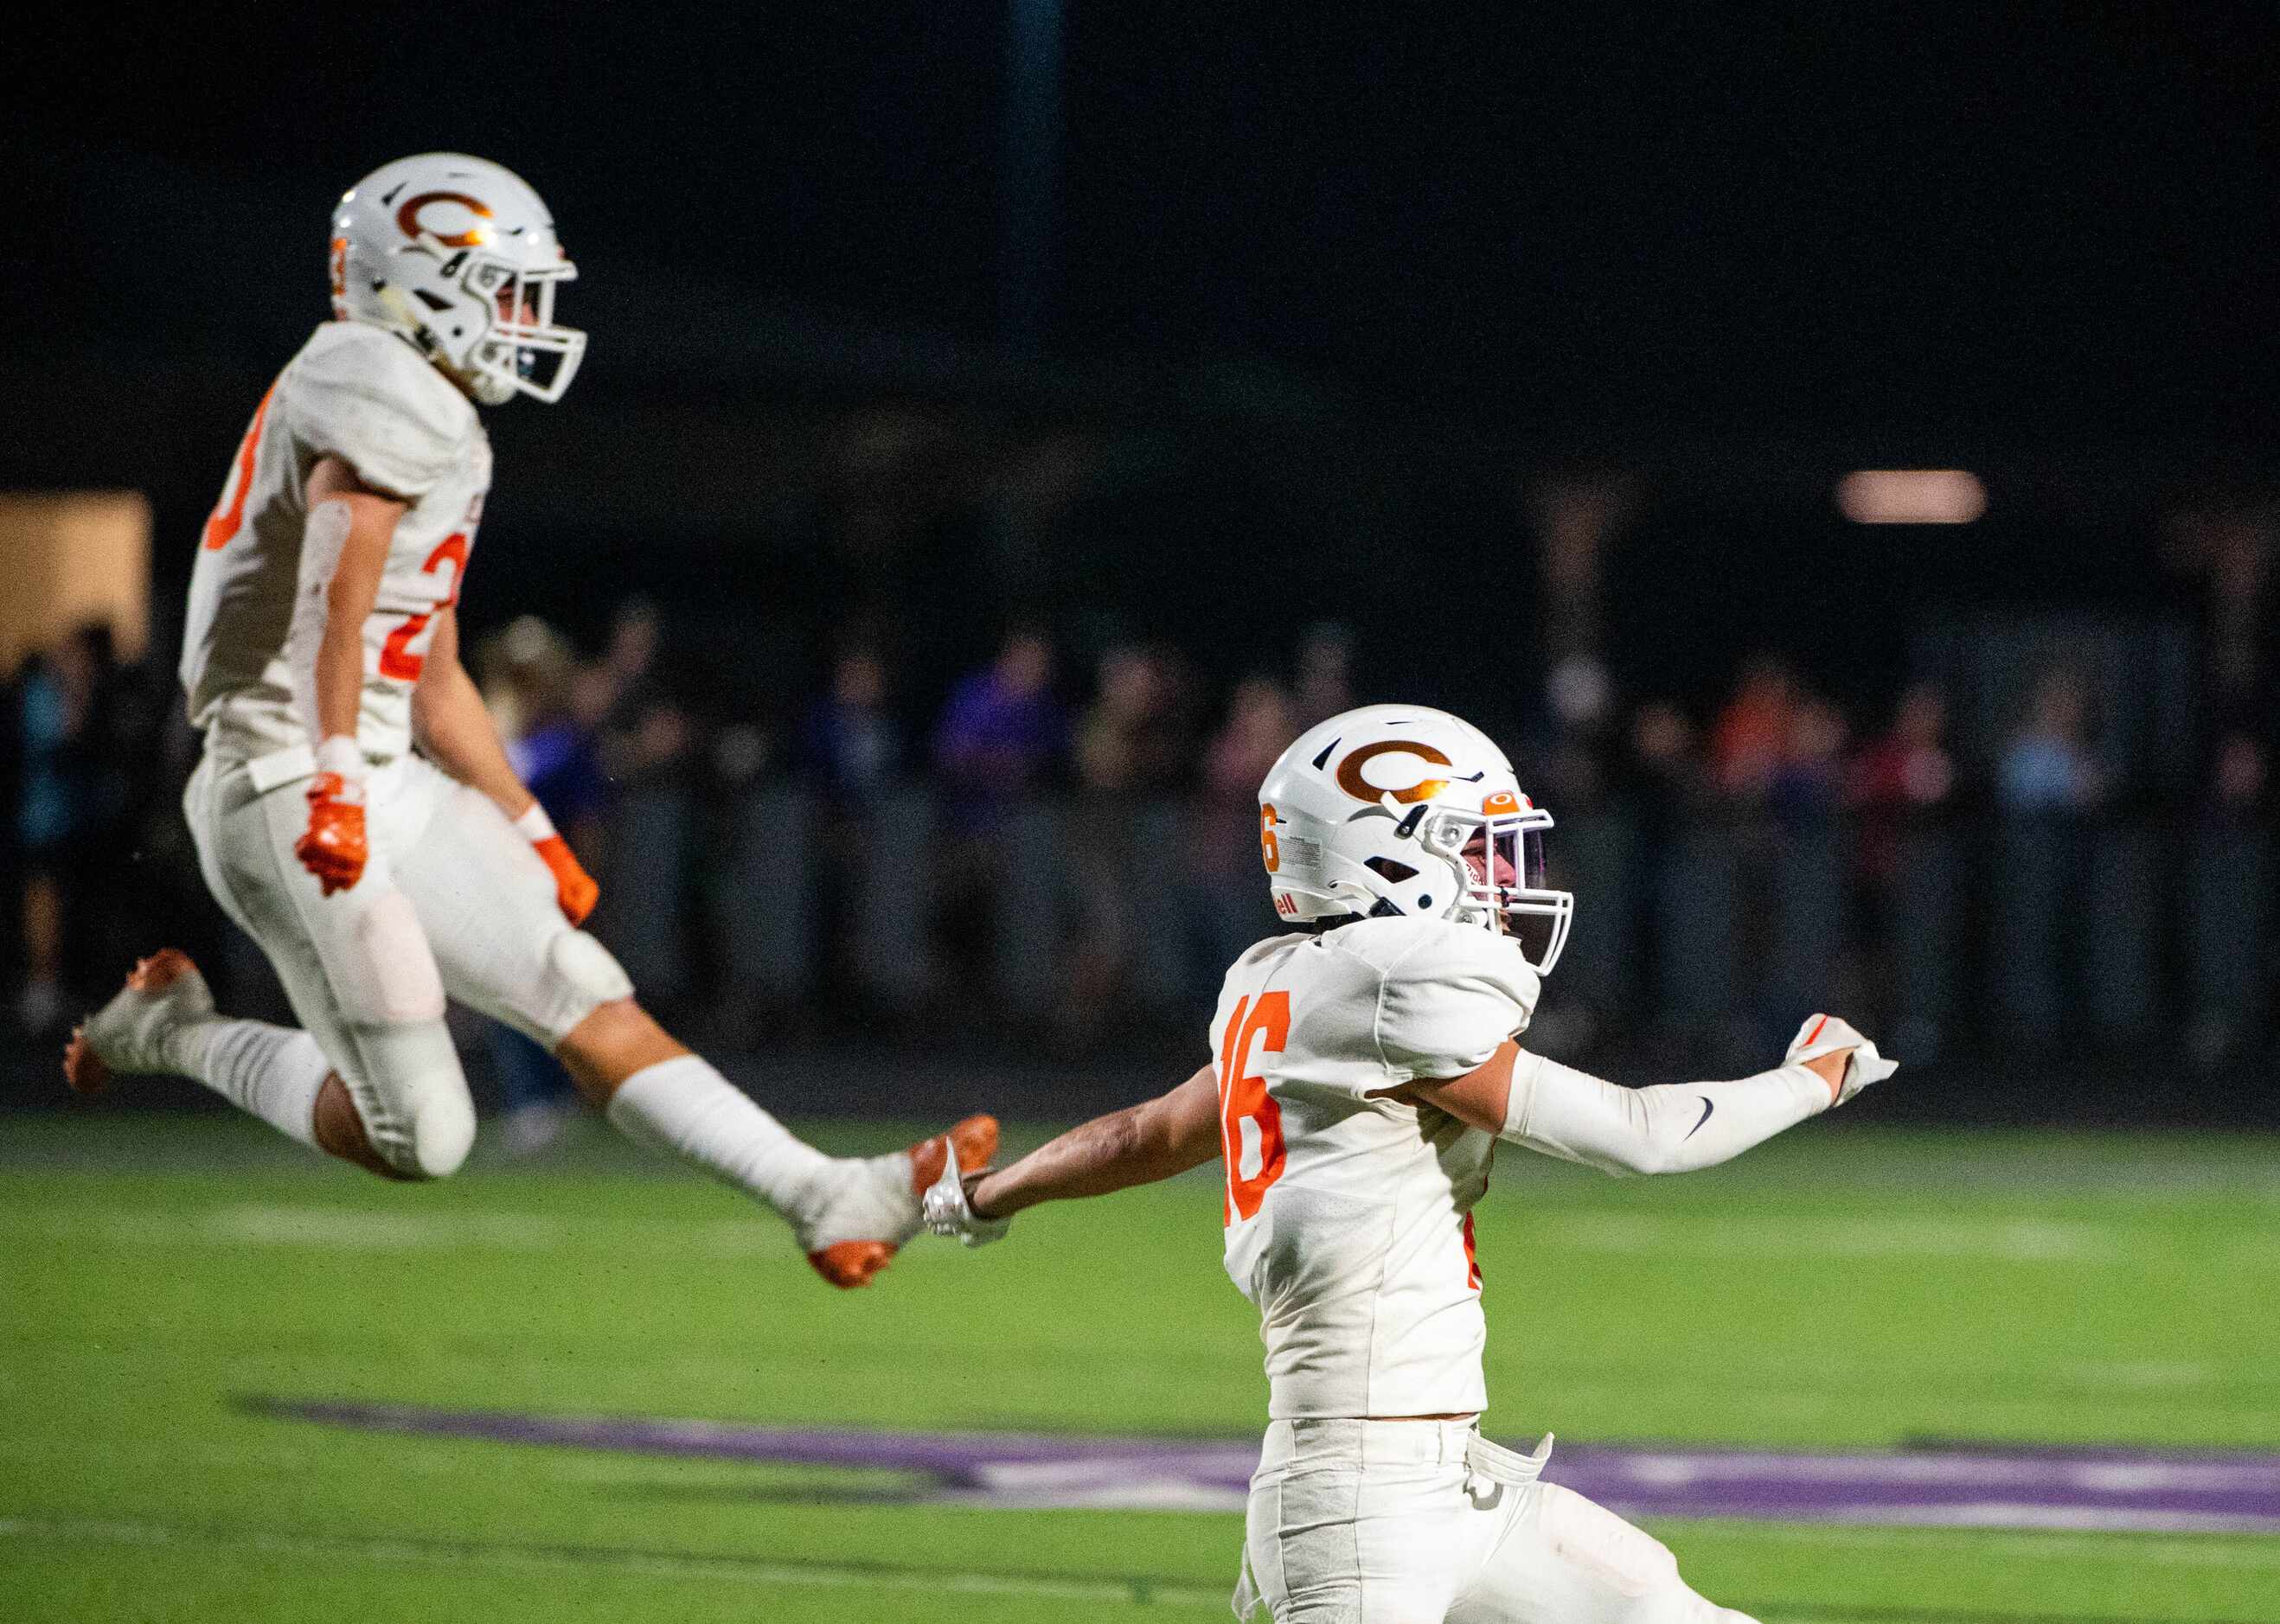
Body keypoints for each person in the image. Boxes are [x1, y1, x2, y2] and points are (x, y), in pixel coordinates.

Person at [63, 152, 991, 1287]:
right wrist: (340, 785)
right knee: (425, 1135)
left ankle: (821, 1191)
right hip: (284, 774)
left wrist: (525, 821)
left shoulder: (439, 411)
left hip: (370, 760)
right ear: (422, 281)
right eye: (503, 287)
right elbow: (335, 602)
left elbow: (433, 662)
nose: (523, 317)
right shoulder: (367, 373)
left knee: (576, 980)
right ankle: (174, 1031)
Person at [924, 703, 1896, 1623]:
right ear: (1385, 849)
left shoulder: (1283, 982)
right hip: (1356, 1501)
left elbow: (1149, 1134)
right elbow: (1636, 1134)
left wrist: (989, 1193)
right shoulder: (1387, 981)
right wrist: (1811, 1079)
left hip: (1452, 1484)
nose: (1503, 874)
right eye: (1476, 844)